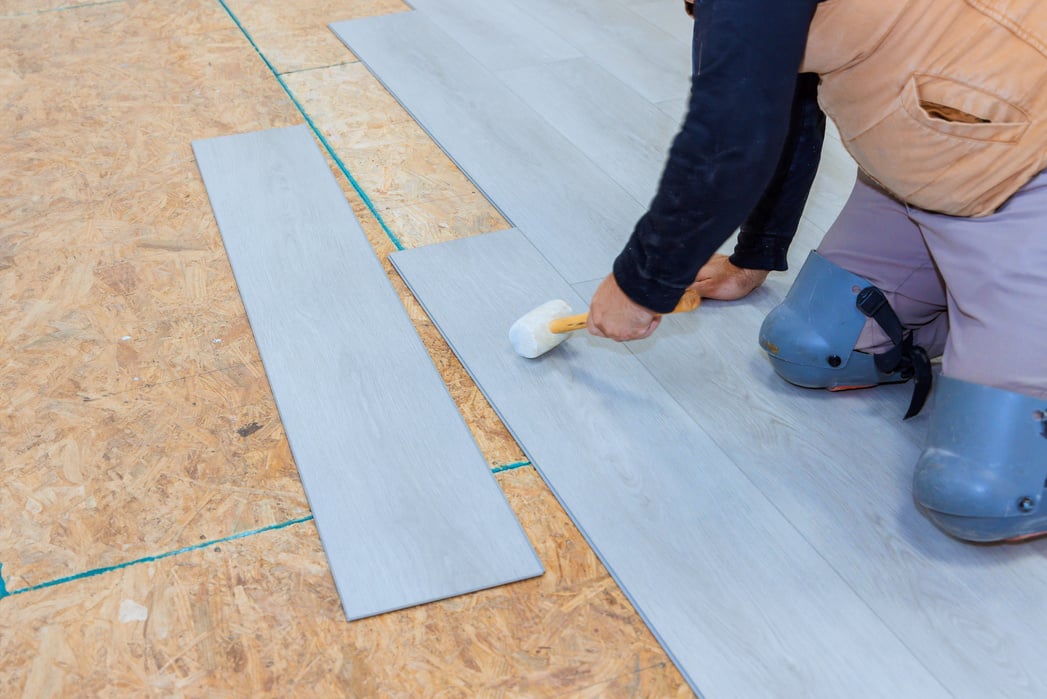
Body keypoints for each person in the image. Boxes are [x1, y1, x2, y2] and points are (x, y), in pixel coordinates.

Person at [586, 0, 1047, 542]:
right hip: (928, 156)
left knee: (983, 495)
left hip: (1023, 160)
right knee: (813, 344)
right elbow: (778, 88)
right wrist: (753, 256)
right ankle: (986, 316)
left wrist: (640, 283)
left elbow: (727, 143)